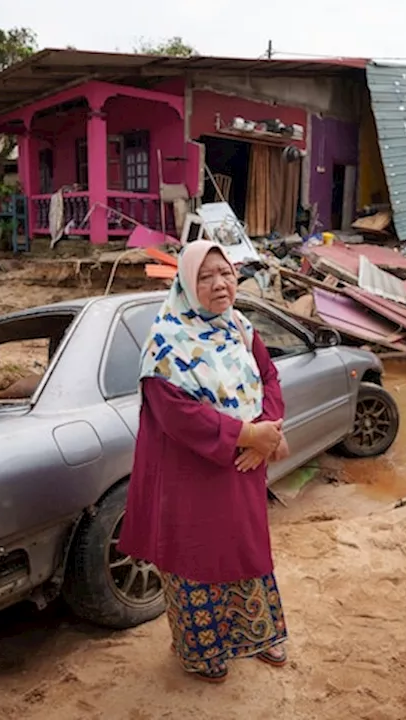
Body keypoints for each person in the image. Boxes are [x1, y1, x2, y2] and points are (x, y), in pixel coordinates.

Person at [119, 240, 291, 684]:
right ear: (186, 283)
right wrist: (245, 434)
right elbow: (175, 413)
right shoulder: (165, 340)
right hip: (190, 475)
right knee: (195, 556)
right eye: (206, 276)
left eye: (227, 273)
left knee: (245, 548)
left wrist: (267, 434)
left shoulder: (240, 327)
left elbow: (268, 378)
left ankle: (257, 633)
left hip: (242, 469)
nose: (219, 284)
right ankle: (203, 653)